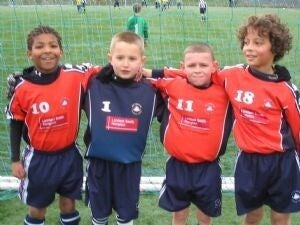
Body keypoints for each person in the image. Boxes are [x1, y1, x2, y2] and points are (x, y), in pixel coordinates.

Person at [6, 26, 100, 225]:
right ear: (29, 54)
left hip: (69, 155)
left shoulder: (76, 75)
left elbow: (109, 70)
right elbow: (15, 122)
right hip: (39, 159)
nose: (47, 50)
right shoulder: (22, 88)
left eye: (53, 45)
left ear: (61, 51)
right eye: (39, 47)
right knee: (37, 209)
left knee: (68, 205)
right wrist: (15, 159)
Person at [215, 14, 300, 225]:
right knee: (252, 215)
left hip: (283, 162)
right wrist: (152, 73)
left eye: (258, 43)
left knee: (280, 217)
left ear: (275, 48)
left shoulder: (286, 90)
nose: (249, 48)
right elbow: (198, 73)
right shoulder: (231, 75)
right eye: (246, 42)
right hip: (249, 161)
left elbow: (298, 130)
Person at [143, 43, 233, 225]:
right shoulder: (173, 86)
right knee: (179, 214)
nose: (197, 70)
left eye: (203, 65)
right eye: (191, 66)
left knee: (204, 215)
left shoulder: (225, 90)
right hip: (178, 165)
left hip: (208, 167)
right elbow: (138, 79)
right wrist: (147, 71)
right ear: (183, 67)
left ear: (214, 66)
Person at [83, 31, 160, 225]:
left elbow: (189, 80)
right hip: (98, 164)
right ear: (110, 58)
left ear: (143, 60)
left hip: (129, 166)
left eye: (132, 58)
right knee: (99, 215)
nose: (126, 64)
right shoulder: (93, 83)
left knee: (126, 216)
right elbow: (64, 75)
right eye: (120, 58)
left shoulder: (152, 91)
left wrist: (154, 73)